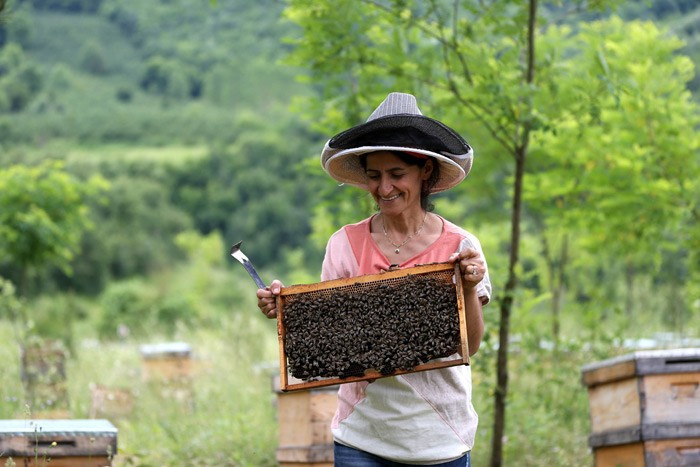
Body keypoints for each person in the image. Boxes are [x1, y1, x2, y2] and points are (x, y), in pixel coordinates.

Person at [257, 92, 491, 466]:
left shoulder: (460, 246)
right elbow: (330, 342)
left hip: (439, 436)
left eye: (397, 174)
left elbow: (471, 346)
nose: (385, 188)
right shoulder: (344, 244)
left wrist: (467, 284)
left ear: (424, 171)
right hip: (361, 437)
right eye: (374, 176)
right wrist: (289, 311)